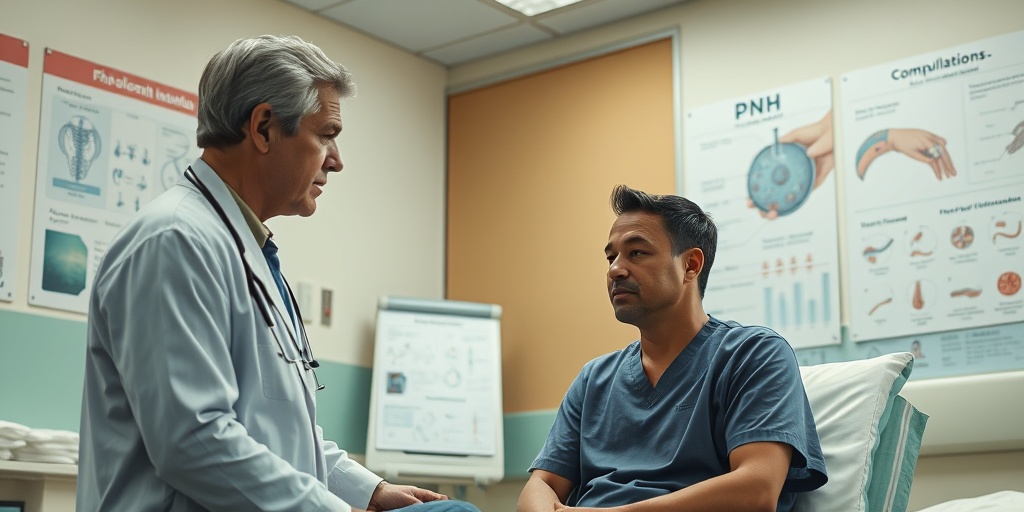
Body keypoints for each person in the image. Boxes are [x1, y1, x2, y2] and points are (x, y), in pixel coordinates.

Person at [77, 35, 479, 512]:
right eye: (326, 135)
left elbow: (279, 434)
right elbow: (193, 440)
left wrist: (365, 490)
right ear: (264, 128)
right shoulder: (175, 241)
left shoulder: (244, 247)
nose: (337, 160)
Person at [519, 185, 827, 511]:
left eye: (637, 253)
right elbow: (542, 483)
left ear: (691, 265)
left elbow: (756, 491)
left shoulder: (754, 354)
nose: (615, 270)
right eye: (611, 257)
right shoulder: (594, 379)